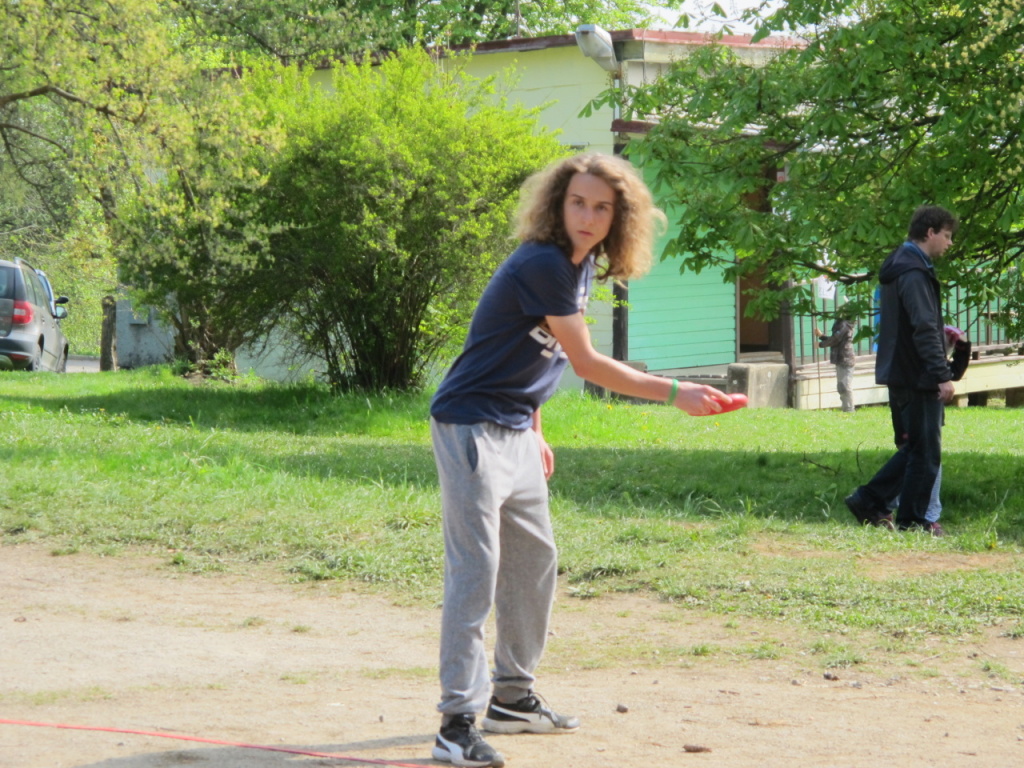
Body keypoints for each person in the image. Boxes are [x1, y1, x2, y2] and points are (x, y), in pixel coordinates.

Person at [428, 153, 736, 768]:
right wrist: (677, 393)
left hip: (515, 427)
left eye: (602, 207)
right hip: (470, 425)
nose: (588, 217)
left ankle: (512, 698)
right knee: (476, 572)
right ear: (557, 205)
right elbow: (590, 364)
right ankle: (456, 726)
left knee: (534, 562)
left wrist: (535, 426)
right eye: (578, 203)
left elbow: (534, 354)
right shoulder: (544, 262)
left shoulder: (580, 266)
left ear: (619, 217)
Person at [844, 205, 959, 536]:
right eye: (947, 235)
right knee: (925, 453)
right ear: (930, 233)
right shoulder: (913, 272)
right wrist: (941, 374)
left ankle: (871, 501)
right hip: (917, 373)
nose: (949, 243)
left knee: (915, 449)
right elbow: (923, 327)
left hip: (900, 370)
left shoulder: (901, 264)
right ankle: (913, 520)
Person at [884, 325, 972, 535]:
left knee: (920, 458)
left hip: (926, 410)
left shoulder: (934, 356)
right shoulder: (913, 353)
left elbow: (953, 373)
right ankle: (925, 515)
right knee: (919, 458)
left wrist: (962, 349)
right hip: (911, 407)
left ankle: (884, 504)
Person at [816, 306, 857, 413]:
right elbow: (835, 339)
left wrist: (821, 344)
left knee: (845, 386)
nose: (837, 312)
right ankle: (846, 408)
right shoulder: (842, 324)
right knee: (841, 386)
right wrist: (821, 336)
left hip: (845, 358)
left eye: (840, 310)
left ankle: (849, 410)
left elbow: (835, 339)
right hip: (841, 358)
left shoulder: (844, 325)